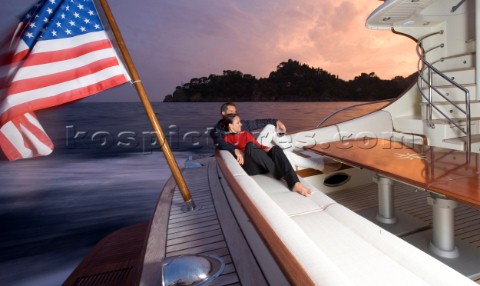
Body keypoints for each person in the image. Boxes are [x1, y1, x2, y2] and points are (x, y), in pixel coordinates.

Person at [211, 102, 339, 173]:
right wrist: (234, 149)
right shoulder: (217, 130)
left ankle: (289, 148)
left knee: (271, 127)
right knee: (283, 155)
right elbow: (220, 142)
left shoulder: (240, 124)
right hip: (249, 156)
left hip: (255, 147)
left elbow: (257, 123)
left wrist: (276, 120)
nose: (235, 115)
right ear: (223, 114)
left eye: (235, 112)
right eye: (231, 113)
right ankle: (321, 166)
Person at [219, 113, 312, 197]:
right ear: (230, 125)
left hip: (262, 164)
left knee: (276, 149)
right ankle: (280, 173)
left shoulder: (246, 133)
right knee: (250, 146)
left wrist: (268, 150)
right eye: (238, 123)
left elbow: (259, 146)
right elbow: (221, 146)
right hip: (250, 168)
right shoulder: (225, 139)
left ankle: (295, 183)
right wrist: (236, 149)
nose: (241, 124)